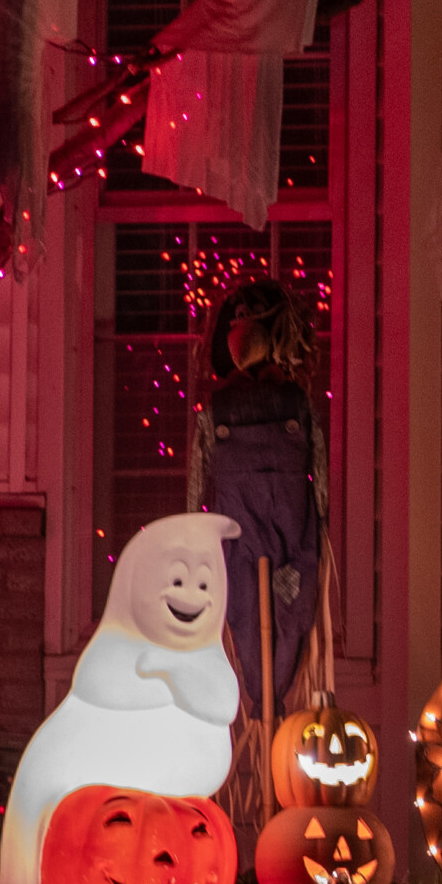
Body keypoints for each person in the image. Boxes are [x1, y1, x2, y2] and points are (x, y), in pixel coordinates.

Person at [187, 278, 327, 720]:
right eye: (238, 318)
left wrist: (322, 518)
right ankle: (262, 697)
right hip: (238, 526)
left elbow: (319, 470)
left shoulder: (296, 404)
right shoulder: (220, 409)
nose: (241, 326)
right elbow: (197, 475)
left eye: (251, 318)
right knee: (245, 610)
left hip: (290, 522)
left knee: (291, 608)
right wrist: (194, 530)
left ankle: (276, 695)